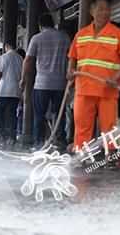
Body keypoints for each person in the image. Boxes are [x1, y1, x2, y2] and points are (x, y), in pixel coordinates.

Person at [67, 0, 120, 167]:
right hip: (84, 87)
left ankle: (110, 157)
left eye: (107, 9)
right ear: (92, 12)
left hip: (107, 88)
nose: (104, 12)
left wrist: (115, 77)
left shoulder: (118, 34)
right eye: (100, 9)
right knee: (82, 123)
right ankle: (81, 156)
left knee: (109, 125)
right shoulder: (81, 34)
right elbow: (73, 57)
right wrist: (70, 71)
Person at [20, 14, 71, 151]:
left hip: (41, 84)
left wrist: (23, 78)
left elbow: (28, 59)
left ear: (40, 25)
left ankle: (39, 144)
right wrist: (70, 76)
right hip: (60, 84)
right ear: (53, 23)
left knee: (39, 115)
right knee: (58, 113)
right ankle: (60, 142)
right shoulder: (64, 37)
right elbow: (72, 58)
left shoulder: (36, 38)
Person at [0, 41, 24, 147]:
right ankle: (12, 137)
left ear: (7, 46)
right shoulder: (20, 59)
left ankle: (1, 134)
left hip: (3, 91)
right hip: (16, 91)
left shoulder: (4, 57)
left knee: (0, 113)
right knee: (12, 115)